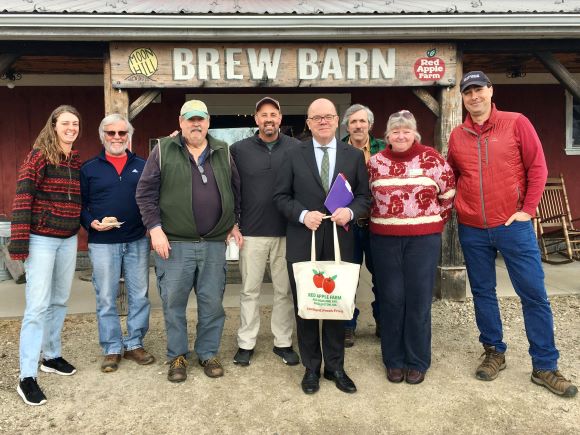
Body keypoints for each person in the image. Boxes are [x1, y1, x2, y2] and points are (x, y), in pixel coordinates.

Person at [447, 71, 577, 398]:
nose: (474, 97)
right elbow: (452, 174)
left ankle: (545, 364)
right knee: (483, 291)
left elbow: (537, 168)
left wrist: (528, 210)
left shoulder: (516, 122)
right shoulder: (457, 135)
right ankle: (494, 351)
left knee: (533, 293)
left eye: (479, 90)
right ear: (462, 98)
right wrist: (455, 201)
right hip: (473, 227)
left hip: (513, 226)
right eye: (468, 92)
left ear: (490, 91)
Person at [136, 99, 242, 383]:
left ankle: (207, 352)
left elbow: (235, 190)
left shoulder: (223, 150)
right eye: (190, 119)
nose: (196, 124)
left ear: (208, 122)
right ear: (181, 122)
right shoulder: (162, 150)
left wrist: (234, 223)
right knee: (173, 304)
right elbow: (145, 193)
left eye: (201, 119)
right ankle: (178, 355)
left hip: (213, 244)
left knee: (212, 302)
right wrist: (155, 228)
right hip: (174, 243)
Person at [273, 98, 370, 395]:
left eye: (328, 116)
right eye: (317, 117)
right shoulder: (292, 154)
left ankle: (336, 367)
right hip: (305, 239)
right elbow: (280, 197)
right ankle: (311, 368)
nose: (323, 121)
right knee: (307, 306)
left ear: (337, 119)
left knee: (336, 305)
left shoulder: (353, 156)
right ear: (308, 122)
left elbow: (365, 197)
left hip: (341, 239)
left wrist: (350, 212)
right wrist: (303, 215)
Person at [369, 110, 455, 385]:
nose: (401, 135)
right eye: (395, 131)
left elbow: (448, 195)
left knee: (418, 300)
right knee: (391, 299)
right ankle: (393, 360)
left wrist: (430, 225)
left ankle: (417, 360)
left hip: (423, 240)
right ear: (387, 136)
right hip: (384, 240)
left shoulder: (433, 159)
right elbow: (365, 197)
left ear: (415, 133)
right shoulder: (375, 163)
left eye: (406, 130)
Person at [9, 105, 82, 406]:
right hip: (41, 241)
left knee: (59, 300)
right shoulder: (38, 157)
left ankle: (50, 357)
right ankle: (27, 376)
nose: (71, 128)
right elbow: (23, 198)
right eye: (65, 123)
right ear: (53, 126)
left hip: (68, 240)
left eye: (76, 124)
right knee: (37, 307)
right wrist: (19, 244)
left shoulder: (74, 161)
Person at [80, 114, 154, 373]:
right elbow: (81, 206)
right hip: (102, 242)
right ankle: (112, 347)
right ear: (103, 135)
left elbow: (152, 199)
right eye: (111, 133)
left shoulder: (143, 165)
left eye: (122, 133)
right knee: (106, 297)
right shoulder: (89, 168)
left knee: (139, 295)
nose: (116, 138)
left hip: (136, 240)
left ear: (129, 136)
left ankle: (134, 343)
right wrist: (92, 222)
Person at [230, 97, 301, 367]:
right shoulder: (239, 149)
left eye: (273, 114)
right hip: (251, 232)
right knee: (250, 291)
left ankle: (282, 343)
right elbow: (231, 189)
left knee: (284, 291)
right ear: (255, 119)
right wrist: (233, 223)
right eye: (263, 114)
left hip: (287, 232)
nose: (268, 119)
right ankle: (246, 343)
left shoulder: (296, 148)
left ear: (280, 118)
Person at [340, 104, 386, 347]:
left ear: (369, 124)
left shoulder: (383, 149)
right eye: (353, 122)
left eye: (362, 121)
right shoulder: (337, 149)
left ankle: (383, 321)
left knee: (382, 276)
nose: (358, 126)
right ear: (347, 126)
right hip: (348, 224)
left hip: (378, 224)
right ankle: (348, 325)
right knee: (348, 278)